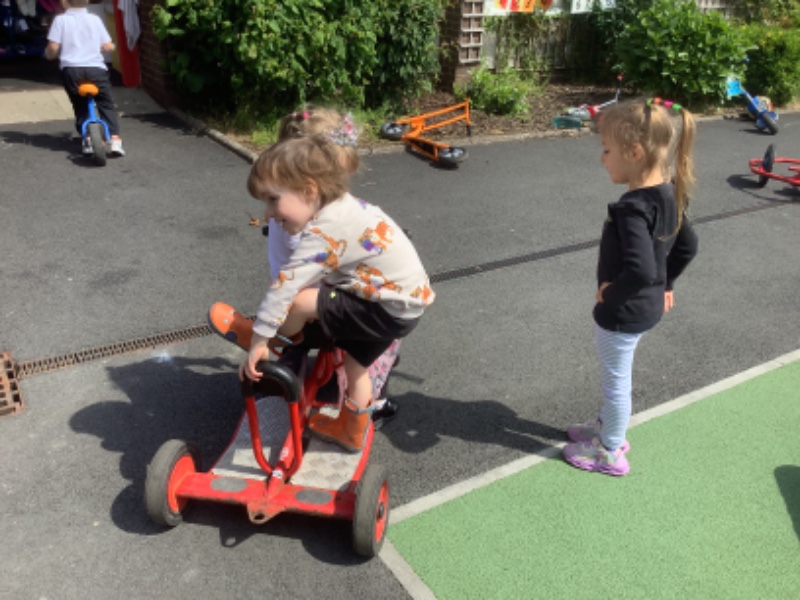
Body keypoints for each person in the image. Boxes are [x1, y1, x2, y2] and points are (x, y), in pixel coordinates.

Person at [218, 134, 434, 453]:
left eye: (273, 200)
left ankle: (279, 341)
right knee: (356, 368)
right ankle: (351, 430)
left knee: (300, 300)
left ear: (309, 190)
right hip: (402, 310)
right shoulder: (344, 208)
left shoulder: (325, 231)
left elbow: (286, 285)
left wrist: (260, 340)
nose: (268, 214)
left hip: (383, 306)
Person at [563, 99, 699, 476]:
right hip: (646, 307)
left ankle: (609, 449)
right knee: (617, 379)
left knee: (616, 384)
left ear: (635, 153)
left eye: (607, 150)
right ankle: (606, 426)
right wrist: (667, 284)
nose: (602, 159)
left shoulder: (632, 208)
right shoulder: (670, 193)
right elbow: (687, 246)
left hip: (622, 313)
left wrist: (609, 293)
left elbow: (640, 271)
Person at [45, 0, 125, 157]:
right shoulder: (95, 19)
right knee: (105, 103)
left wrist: (49, 55)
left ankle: (88, 139)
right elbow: (108, 45)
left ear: (64, 2)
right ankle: (114, 139)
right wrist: (103, 47)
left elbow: (53, 47)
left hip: (72, 70)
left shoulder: (60, 20)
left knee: (80, 104)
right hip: (96, 70)